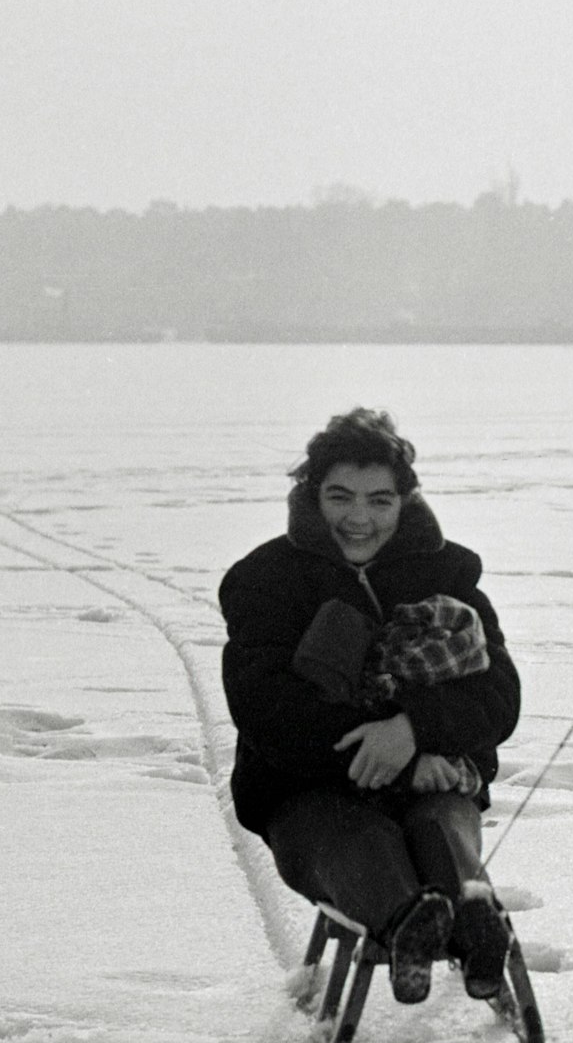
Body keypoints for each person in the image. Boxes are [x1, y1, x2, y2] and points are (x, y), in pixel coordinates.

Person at [220, 408, 522, 1006]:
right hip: (308, 792)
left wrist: (415, 728)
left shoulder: (449, 574)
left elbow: (498, 695)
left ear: (404, 501)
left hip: (436, 782)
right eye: (341, 497)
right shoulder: (266, 580)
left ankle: (475, 920)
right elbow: (266, 709)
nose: (359, 519)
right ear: (312, 496)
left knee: (440, 829)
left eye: (380, 501)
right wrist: (393, 754)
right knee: (360, 841)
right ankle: (409, 922)